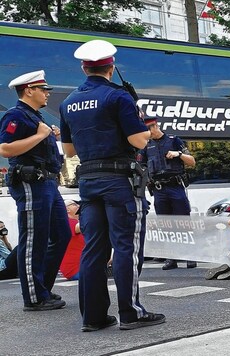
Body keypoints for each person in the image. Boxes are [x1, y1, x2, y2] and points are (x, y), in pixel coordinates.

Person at [59, 39, 164, 331]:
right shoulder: (118, 97)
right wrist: (139, 120)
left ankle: (93, 317)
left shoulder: (68, 102)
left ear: (84, 67)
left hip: (89, 183)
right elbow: (139, 140)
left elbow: (69, 151)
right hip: (119, 182)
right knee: (125, 246)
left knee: (94, 248)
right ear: (111, 66)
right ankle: (131, 312)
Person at [0, 70, 70, 311]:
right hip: (32, 183)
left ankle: (42, 289)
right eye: (43, 89)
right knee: (33, 240)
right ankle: (34, 297)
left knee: (61, 234)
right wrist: (41, 135)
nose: (47, 93)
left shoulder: (34, 117)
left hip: (48, 182)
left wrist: (48, 135)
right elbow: (6, 149)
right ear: (29, 90)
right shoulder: (16, 115)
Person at [139, 117, 197, 270]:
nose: (148, 133)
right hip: (159, 190)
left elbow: (192, 161)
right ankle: (172, 258)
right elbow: (141, 168)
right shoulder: (146, 146)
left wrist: (178, 154)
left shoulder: (174, 140)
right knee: (165, 224)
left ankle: (190, 256)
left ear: (156, 126)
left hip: (175, 186)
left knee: (183, 222)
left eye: (149, 129)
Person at [59, 200, 85, 280]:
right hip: (76, 270)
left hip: (80, 266)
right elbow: (80, 227)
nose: (78, 206)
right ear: (67, 210)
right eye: (74, 204)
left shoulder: (72, 222)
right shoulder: (68, 222)